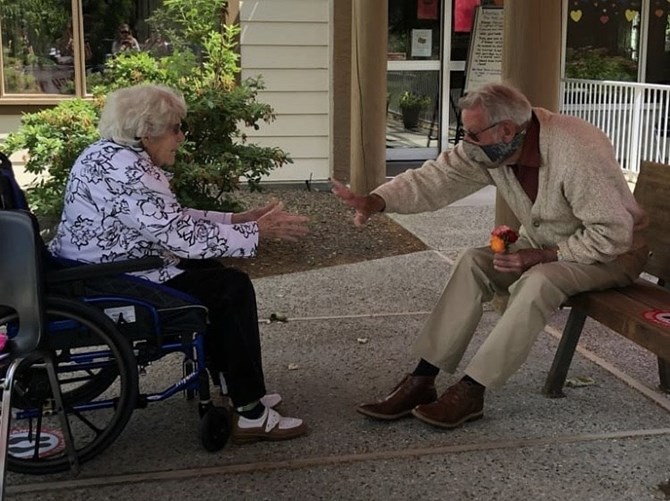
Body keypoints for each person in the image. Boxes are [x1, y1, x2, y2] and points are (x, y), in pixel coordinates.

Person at [332, 83, 648, 430]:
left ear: (507, 130)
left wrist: (543, 255)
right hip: (546, 245)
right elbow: (436, 177)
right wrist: (376, 201)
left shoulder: (576, 149)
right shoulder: (492, 149)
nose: (465, 141)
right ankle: (422, 380)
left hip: (610, 255)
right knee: (473, 261)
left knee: (539, 280)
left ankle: (472, 390)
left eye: (471, 133)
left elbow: (614, 233)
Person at [48, 84, 310, 444]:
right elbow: (178, 236)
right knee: (229, 289)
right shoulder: (127, 171)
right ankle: (250, 412)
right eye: (175, 128)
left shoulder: (111, 156)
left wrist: (236, 219)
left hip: (99, 270)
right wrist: (256, 232)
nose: (181, 137)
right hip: (109, 280)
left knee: (215, 275)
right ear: (146, 130)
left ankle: (237, 385)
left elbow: (169, 217)